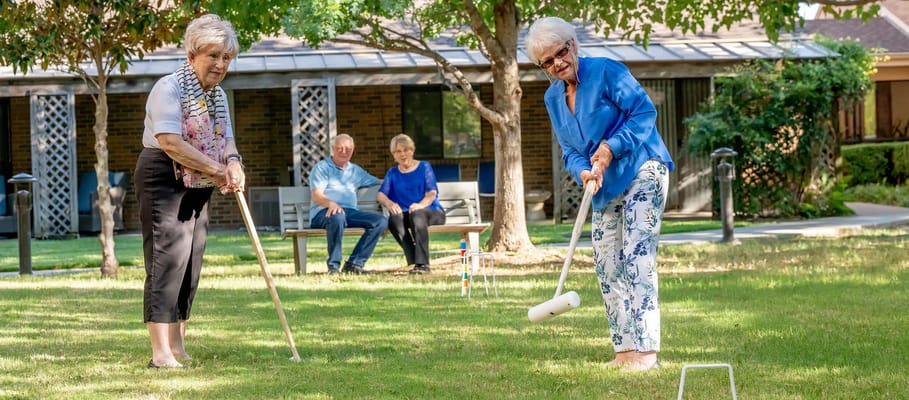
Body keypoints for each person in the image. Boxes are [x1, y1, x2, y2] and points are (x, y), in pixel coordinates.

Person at [526, 16, 675, 372]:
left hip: (642, 168)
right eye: (547, 62)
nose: (556, 63)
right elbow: (568, 149)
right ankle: (624, 350)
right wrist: (581, 169)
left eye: (560, 53)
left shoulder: (607, 71)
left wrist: (609, 148)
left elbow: (643, 112)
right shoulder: (553, 97)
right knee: (607, 264)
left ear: (572, 45)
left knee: (636, 257)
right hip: (602, 184)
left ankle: (647, 352)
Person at [134, 14, 244, 369]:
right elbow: (170, 142)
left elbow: (225, 139)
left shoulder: (218, 96)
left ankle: (178, 345)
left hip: (199, 180)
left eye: (226, 58)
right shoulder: (169, 88)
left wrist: (234, 163)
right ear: (193, 53)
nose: (220, 64)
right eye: (213, 55)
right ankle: (160, 353)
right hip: (163, 175)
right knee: (167, 261)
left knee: (190, 263)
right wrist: (217, 169)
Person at [309, 134, 388, 275]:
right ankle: (333, 267)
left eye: (348, 149)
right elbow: (316, 196)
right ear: (333, 148)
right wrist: (331, 203)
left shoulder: (355, 171)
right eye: (340, 148)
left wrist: (399, 180)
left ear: (353, 150)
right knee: (337, 216)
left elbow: (378, 181)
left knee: (380, 221)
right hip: (323, 213)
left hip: (349, 212)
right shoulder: (322, 168)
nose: (344, 151)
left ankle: (354, 264)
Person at [377, 134, 446, 274]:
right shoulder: (393, 173)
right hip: (407, 214)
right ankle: (414, 258)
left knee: (417, 215)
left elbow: (431, 192)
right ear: (394, 155)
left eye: (406, 150)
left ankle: (423, 264)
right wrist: (389, 203)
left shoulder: (424, 167)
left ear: (412, 150)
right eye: (398, 151)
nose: (403, 154)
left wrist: (420, 205)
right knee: (394, 219)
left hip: (431, 211)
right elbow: (381, 194)